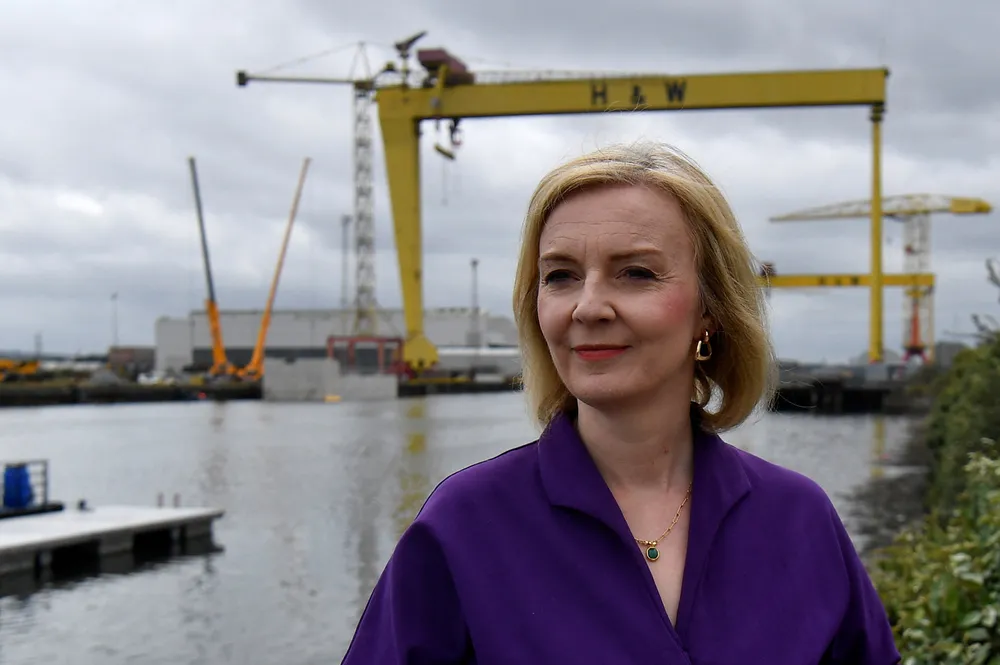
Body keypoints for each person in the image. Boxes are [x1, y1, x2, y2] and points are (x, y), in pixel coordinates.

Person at [341, 141, 901, 664]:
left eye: (636, 273)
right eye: (560, 276)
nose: (588, 307)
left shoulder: (798, 520)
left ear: (710, 310)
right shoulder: (465, 526)